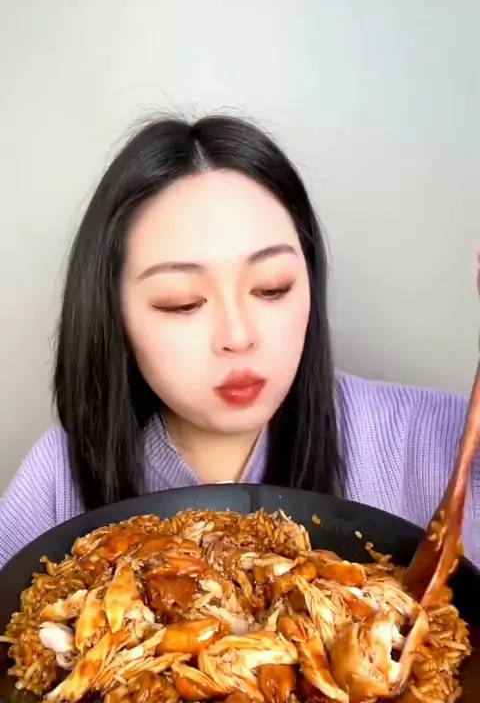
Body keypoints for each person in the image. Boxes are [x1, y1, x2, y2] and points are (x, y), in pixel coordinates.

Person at [0, 115, 478, 570]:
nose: (238, 336)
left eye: (272, 288)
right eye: (182, 302)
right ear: (112, 314)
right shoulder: (57, 478)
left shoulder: (437, 441)